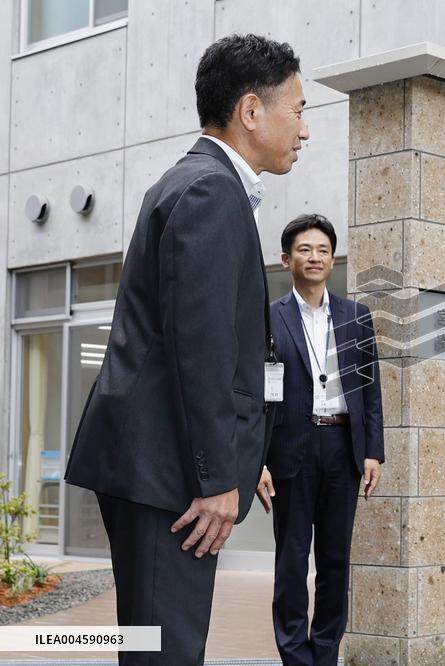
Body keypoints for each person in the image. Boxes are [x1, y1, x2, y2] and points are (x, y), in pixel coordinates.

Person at [64, 34, 309, 665]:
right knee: (164, 654)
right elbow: (199, 350)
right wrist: (213, 479)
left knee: (157, 646)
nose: (304, 130)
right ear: (251, 112)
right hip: (167, 476)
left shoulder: (196, 184)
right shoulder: (208, 191)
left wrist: (240, 454)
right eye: (299, 110)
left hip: (163, 467)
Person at [255, 214, 385, 665]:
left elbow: (370, 389)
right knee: (291, 561)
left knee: (334, 561)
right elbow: (254, 395)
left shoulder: (356, 317)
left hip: (340, 448)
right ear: (286, 259)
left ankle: (325, 652)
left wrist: (372, 453)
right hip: (290, 450)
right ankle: (295, 655)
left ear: (333, 259)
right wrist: (256, 461)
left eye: (323, 250)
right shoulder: (267, 317)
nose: (315, 257)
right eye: (305, 250)